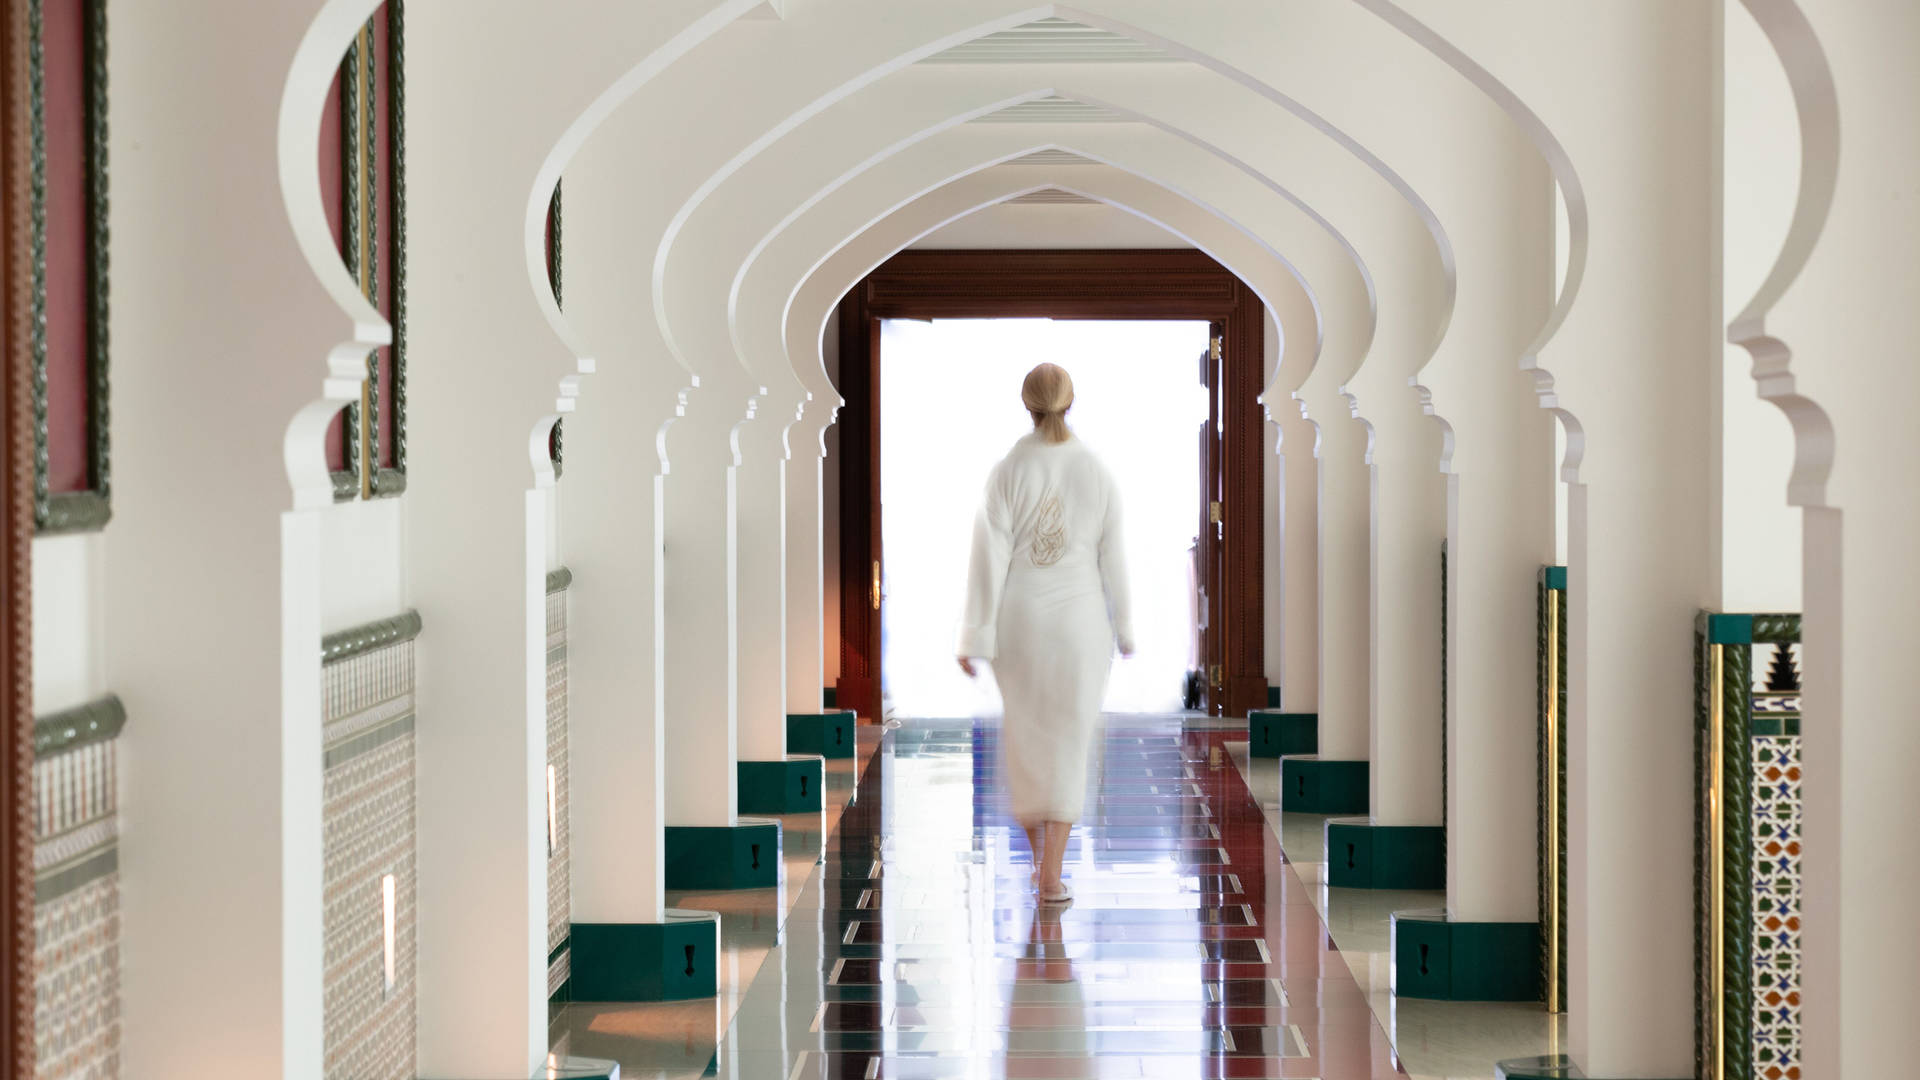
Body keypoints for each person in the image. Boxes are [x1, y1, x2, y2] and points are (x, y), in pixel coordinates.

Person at [957, 362, 1134, 905]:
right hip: (1081, 628)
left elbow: (989, 558)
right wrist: (1124, 626)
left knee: (1029, 743)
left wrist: (975, 636)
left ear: (1027, 404)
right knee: (1069, 744)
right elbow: (1114, 558)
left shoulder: (1008, 469)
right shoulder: (1097, 472)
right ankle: (1050, 873)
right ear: (1070, 401)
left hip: (1022, 624)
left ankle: (1042, 866)